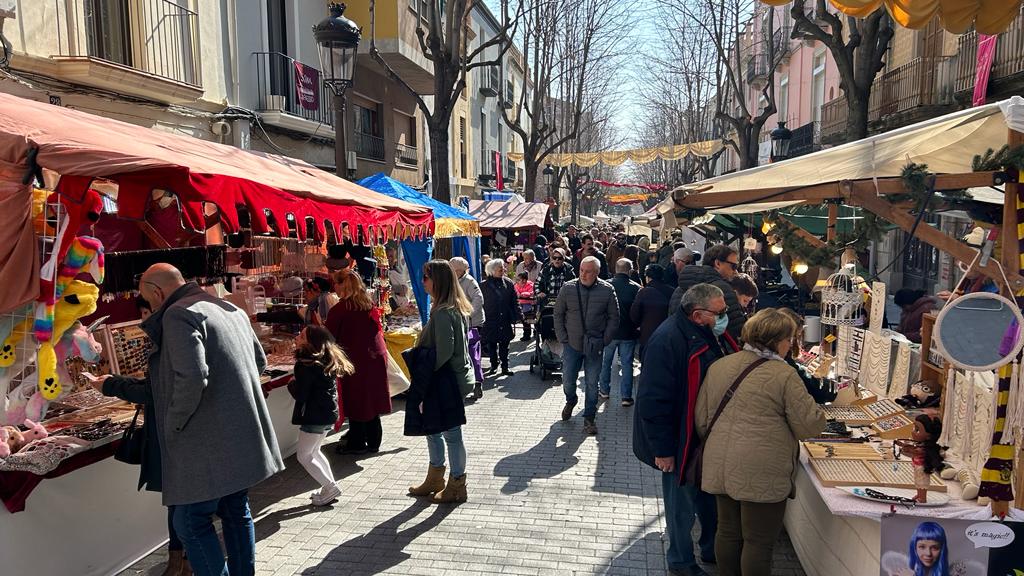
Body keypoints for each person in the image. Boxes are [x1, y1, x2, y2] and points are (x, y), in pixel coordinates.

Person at [136, 264, 284, 576]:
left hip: (207, 442)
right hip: (238, 433)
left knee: (189, 521)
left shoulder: (178, 314)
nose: (151, 307)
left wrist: (173, 422)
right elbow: (259, 362)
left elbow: (192, 377)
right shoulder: (228, 308)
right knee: (235, 510)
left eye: (148, 300)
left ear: (157, 293)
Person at [696, 308, 826, 576]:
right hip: (763, 468)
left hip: (720, 462)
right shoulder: (784, 375)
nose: (790, 345)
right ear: (777, 340)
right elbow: (809, 426)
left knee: (728, 531)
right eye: (789, 339)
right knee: (758, 541)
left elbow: (702, 419)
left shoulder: (720, 366)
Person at [633, 283, 734, 576]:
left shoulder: (706, 334)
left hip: (699, 435)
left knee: (706, 498)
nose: (725, 317)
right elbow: (653, 401)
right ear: (698, 315)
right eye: (720, 312)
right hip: (680, 439)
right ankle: (681, 561)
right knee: (681, 506)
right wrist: (663, 450)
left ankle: (710, 549)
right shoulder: (667, 340)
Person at [85, 296, 191, 576]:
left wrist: (111, 386)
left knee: (182, 504)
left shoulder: (171, 340)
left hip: (176, 437)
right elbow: (153, 386)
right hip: (175, 435)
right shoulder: (169, 338)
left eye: (147, 312)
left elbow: (154, 391)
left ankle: (184, 561)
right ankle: (180, 560)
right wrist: (113, 382)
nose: (144, 318)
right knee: (178, 503)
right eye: (142, 313)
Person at [405, 260, 474, 503]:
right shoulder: (448, 308)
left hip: (446, 380)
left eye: (426, 277)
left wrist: (424, 375)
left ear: (438, 281)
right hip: (447, 378)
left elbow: (444, 351)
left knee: (449, 433)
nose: (422, 282)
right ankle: (436, 478)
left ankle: (456, 483)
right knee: (434, 429)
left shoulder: (444, 312)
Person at [327, 269, 392, 455]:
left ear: (342, 285)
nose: (334, 288)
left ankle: (357, 443)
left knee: (356, 400)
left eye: (335, 284)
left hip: (357, 360)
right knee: (371, 400)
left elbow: (328, 337)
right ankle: (373, 442)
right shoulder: (367, 304)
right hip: (374, 357)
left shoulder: (340, 309)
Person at [554, 256, 619, 435]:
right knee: (568, 379)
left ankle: (589, 418)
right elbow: (558, 314)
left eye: (588, 271)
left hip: (595, 345)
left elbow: (614, 318)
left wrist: (605, 340)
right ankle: (571, 400)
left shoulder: (607, 290)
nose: (583, 274)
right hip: (571, 344)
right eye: (581, 270)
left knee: (592, 383)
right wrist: (563, 338)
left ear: (597, 272)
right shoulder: (568, 288)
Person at [290, 325, 353, 506]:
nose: (297, 337)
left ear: (311, 343)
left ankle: (329, 487)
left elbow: (302, 395)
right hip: (327, 413)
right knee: (314, 451)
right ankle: (330, 486)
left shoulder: (306, 365)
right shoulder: (324, 360)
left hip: (315, 415)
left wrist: (292, 384)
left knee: (304, 455)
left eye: (302, 336)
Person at [670, 244, 746, 340]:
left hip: (682, 344)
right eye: (734, 266)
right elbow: (738, 328)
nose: (735, 271)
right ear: (718, 263)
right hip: (710, 345)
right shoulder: (723, 288)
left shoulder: (679, 288)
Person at [600, 258, 642, 406]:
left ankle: (604, 390)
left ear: (616, 269)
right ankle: (626, 396)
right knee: (627, 365)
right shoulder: (636, 288)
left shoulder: (606, 285)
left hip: (609, 332)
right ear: (630, 271)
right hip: (628, 333)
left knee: (605, 363)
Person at [778, 308, 836, 403]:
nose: (793, 343)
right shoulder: (783, 362)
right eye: (796, 337)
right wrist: (824, 381)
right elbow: (813, 389)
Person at [450, 257, 486, 399]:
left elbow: (479, 299)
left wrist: (468, 313)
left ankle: (477, 382)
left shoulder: (469, 281)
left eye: (453, 269)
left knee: (472, 354)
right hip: (459, 322)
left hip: (472, 324)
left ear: (459, 270)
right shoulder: (454, 280)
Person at [481, 258, 521, 376]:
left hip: (504, 318)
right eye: (500, 269)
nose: (503, 270)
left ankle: (505, 366)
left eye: (503, 268)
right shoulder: (483, 285)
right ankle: (494, 364)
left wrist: (518, 315)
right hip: (490, 319)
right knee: (491, 344)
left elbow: (514, 300)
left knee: (505, 344)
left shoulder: (508, 283)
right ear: (492, 270)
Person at [630, 264, 677, 361]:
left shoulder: (644, 292)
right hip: (668, 333)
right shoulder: (672, 291)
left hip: (648, 334)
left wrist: (639, 325)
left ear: (648, 278)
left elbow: (634, 314)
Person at [514, 271, 536, 342]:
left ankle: (530, 333)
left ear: (525, 280)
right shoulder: (517, 285)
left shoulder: (530, 285)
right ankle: (526, 334)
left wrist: (524, 294)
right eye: (518, 280)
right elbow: (515, 291)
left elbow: (531, 292)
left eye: (520, 280)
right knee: (522, 316)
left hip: (528, 303)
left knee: (527, 318)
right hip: (520, 303)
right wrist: (518, 294)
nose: (519, 281)